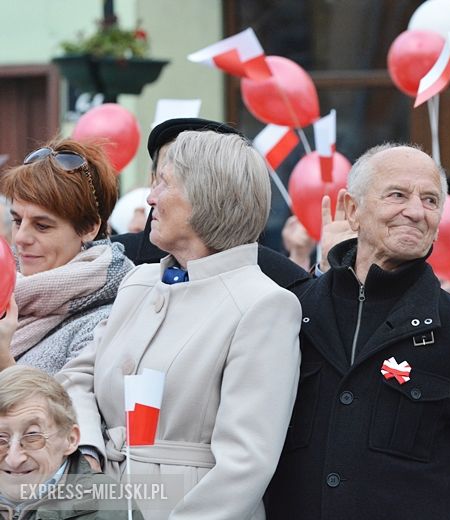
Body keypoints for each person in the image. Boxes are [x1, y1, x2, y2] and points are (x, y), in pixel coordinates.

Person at [265, 144, 450, 520]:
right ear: (353, 210)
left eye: (429, 200)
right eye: (397, 195)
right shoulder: (293, 313)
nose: (415, 212)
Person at [57, 131, 302, 519]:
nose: (150, 197)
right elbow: (78, 378)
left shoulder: (264, 305)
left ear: (208, 197)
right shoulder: (139, 282)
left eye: (163, 183)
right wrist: (88, 455)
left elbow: (244, 466)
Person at [112, 117, 310, 290]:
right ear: (153, 178)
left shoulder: (273, 282)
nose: (151, 197)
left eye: (175, 177)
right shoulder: (120, 267)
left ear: (212, 190)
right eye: (163, 175)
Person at [0, 140, 132, 374]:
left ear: (89, 228)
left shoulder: (110, 318)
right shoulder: (7, 285)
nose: (21, 238)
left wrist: (5, 364)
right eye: (18, 221)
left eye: (42, 226)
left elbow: (69, 409)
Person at [0, 365, 141, 519]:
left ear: (70, 439)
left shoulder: (109, 508)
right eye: (1, 439)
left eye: (33, 436)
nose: (13, 459)